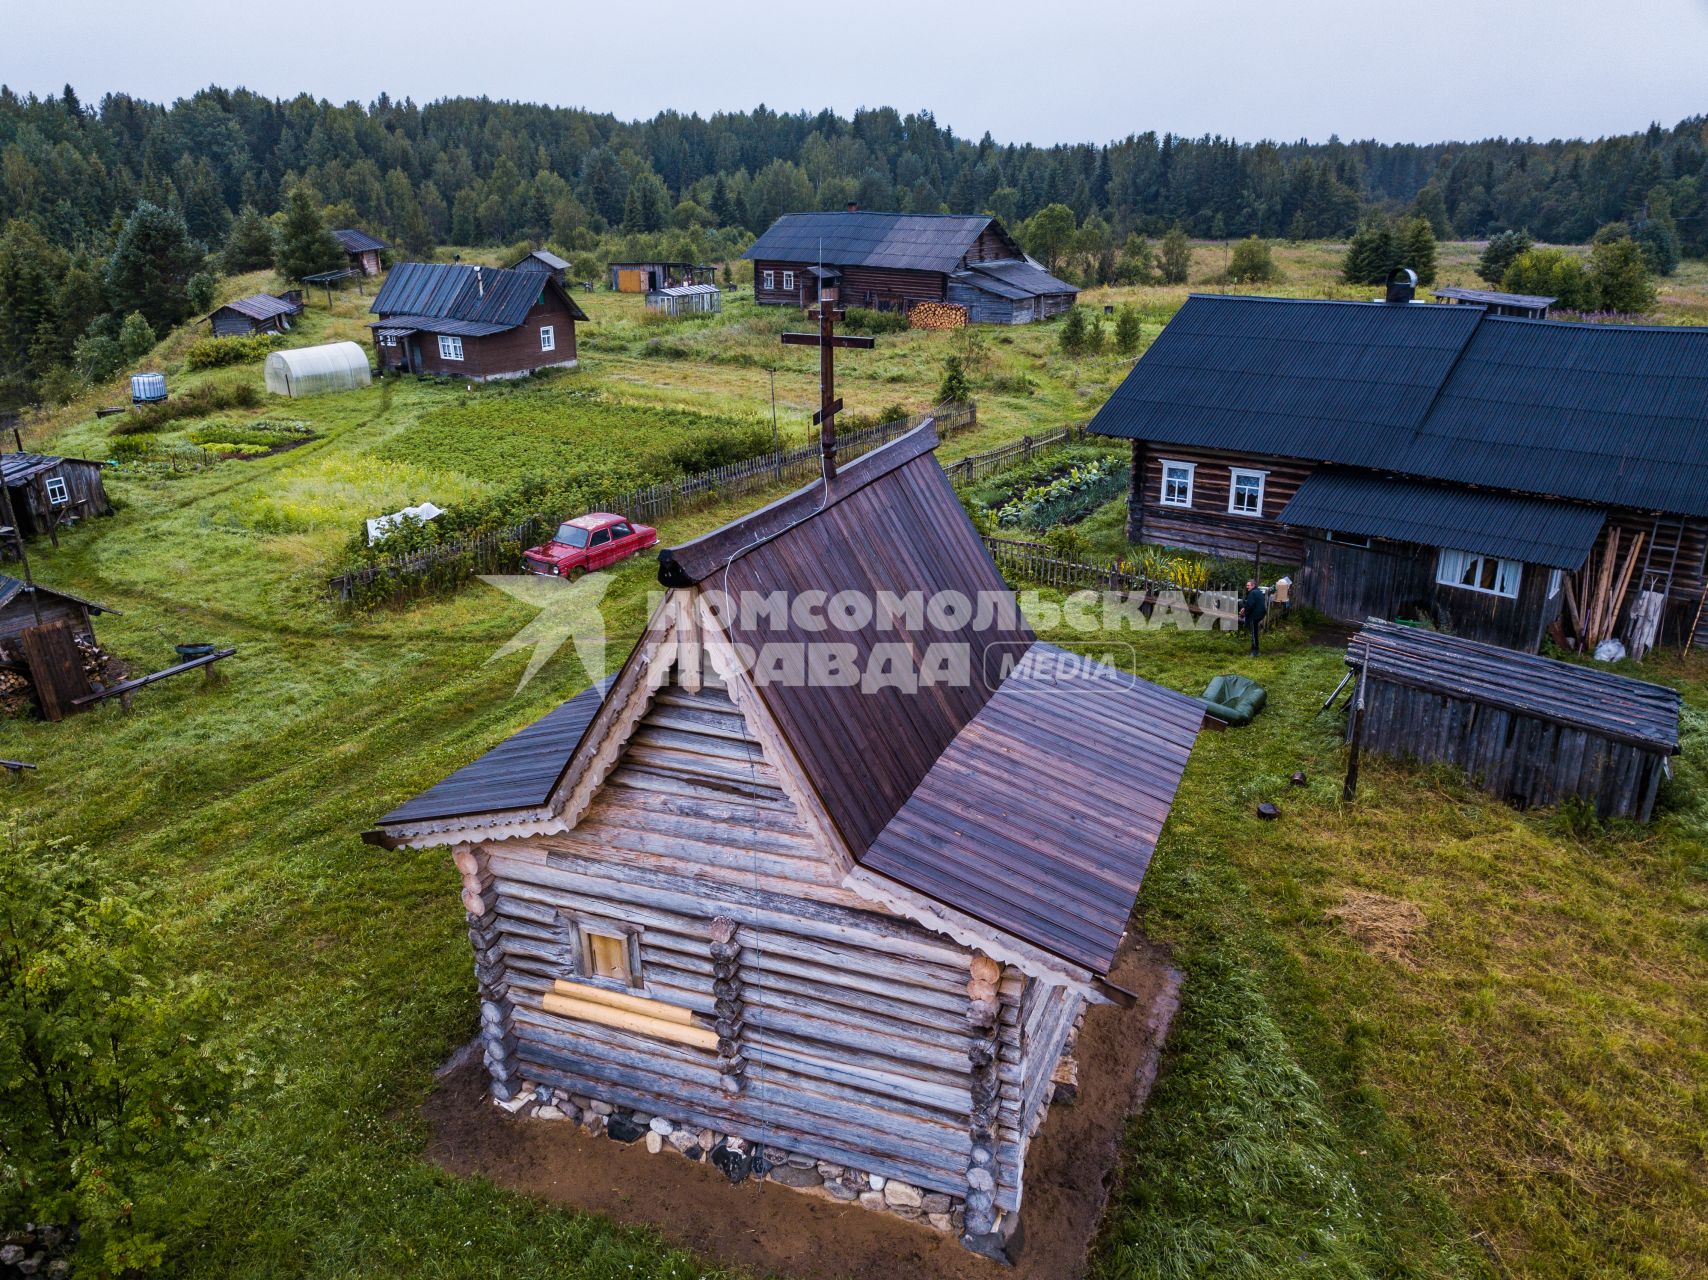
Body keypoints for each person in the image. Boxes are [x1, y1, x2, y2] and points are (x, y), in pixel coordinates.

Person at [1239, 579, 1267, 657]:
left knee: (1254, 633)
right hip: (1260, 613)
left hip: (1255, 615)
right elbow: (1251, 603)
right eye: (1247, 585)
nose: (1247, 587)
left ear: (1253, 585)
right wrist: (1244, 608)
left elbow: (1250, 605)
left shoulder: (1252, 593)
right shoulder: (1258, 591)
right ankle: (1254, 649)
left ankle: (1255, 651)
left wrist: (1243, 613)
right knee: (1254, 631)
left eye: (1248, 585)